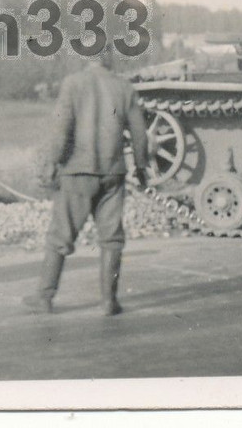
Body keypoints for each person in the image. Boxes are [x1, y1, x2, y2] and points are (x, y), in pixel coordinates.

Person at [23, 44, 150, 316]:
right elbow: (140, 135)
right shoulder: (124, 87)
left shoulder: (73, 84)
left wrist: (52, 163)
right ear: (109, 57)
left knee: (60, 235)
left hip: (77, 173)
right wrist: (141, 168)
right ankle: (108, 301)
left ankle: (45, 297)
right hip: (113, 173)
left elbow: (61, 129)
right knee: (112, 239)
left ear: (85, 57)